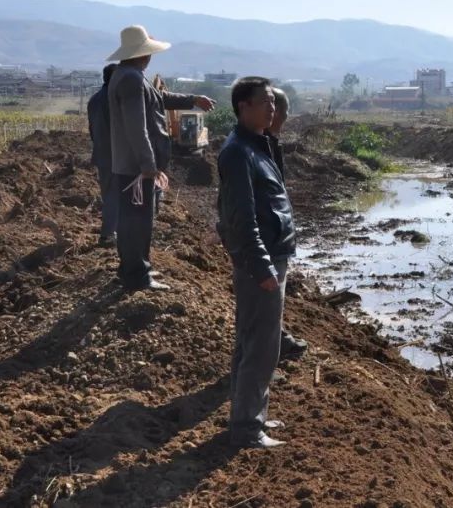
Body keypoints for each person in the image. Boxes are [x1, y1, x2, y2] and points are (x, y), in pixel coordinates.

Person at [217, 76, 296, 449]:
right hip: (261, 262)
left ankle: (248, 415)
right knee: (262, 348)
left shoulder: (258, 144)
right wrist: (261, 265)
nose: (272, 108)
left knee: (252, 342)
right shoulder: (238, 153)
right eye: (264, 102)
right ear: (242, 106)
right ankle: (247, 427)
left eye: (273, 102)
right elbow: (240, 218)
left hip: (270, 255)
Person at [106, 25, 215, 292]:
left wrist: (192, 99)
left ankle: (132, 268)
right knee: (138, 223)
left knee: (135, 221)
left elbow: (159, 98)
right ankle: (138, 277)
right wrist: (148, 166)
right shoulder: (131, 79)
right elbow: (136, 127)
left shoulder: (130, 76)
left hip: (132, 165)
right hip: (136, 168)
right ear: (142, 53)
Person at [267, 87, 307, 363]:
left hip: (274, 232)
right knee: (268, 296)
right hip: (268, 235)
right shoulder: (259, 148)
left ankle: (275, 340)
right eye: (285, 113)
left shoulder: (268, 144)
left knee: (271, 297)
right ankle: (272, 347)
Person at [86, 63, 119, 246]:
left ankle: (109, 231)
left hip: (101, 153)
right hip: (117, 155)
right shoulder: (114, 99)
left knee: (108, 195)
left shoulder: (94, 100)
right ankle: (108, 235)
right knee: (118, 196)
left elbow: (91, 129)